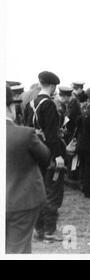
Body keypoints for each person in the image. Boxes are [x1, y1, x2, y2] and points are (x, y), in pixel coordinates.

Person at [23, 71, 66, 241]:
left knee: (38, 191)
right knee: (53, 192)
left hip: (35, 152)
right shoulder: (49, 105)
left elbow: (27, 130)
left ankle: (38, 229)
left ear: (40, 83)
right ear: (53, 86)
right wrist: (58, 156)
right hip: (50, 153)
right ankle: (49, 231)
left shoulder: (30, 103)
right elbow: (52, 134)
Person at [6, 86, 50, 253]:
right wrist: (37, 139)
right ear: (11, 107)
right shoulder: (24, 134)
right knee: (18, 249)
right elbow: (45, 157)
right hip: (20, 201)